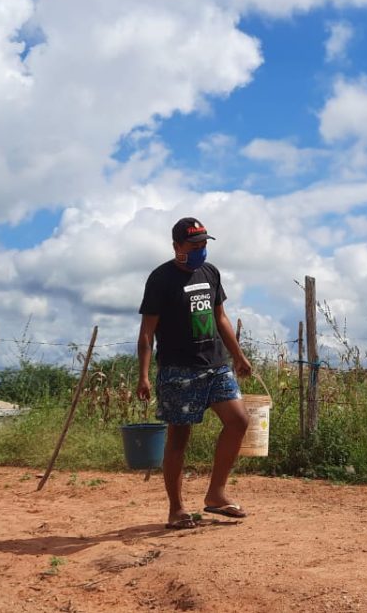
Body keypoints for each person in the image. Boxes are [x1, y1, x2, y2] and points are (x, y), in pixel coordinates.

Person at [137, 217, 252, 529]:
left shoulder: (210, 272)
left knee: (239, 420)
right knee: (178, 438)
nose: (201, 250)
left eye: (204, 244)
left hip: (215, 365)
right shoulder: (160, 279)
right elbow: (147, 332)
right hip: (178, 370)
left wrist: (238, 356)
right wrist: (144, 375)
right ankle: (176, 509)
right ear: (177, 247)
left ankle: (216, 494)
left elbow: (221, 318)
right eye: (194, 245)